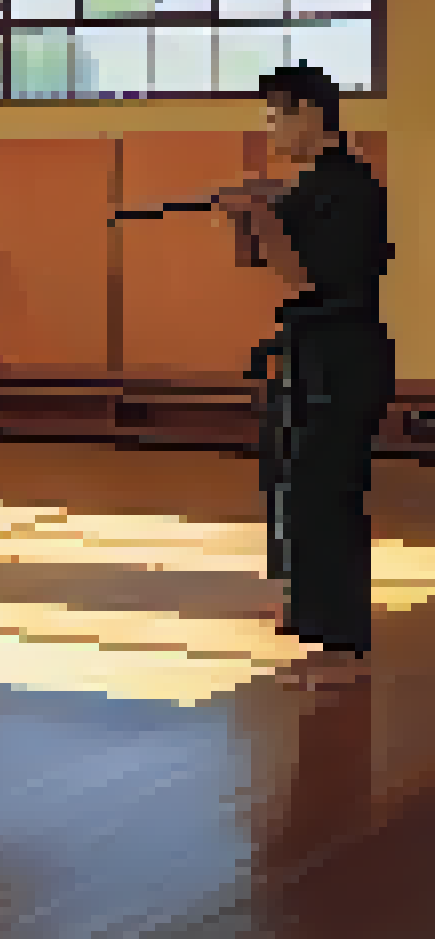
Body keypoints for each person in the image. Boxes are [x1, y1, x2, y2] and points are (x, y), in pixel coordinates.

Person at [217, 63, 390, 688]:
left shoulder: (348, 187)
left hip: (344, 354)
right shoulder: (310, 186)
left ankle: (341, 631)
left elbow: (307, 280)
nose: (268, 127)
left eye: (274, 114)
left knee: (328, 490)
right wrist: (245, 216)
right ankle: (309, 611)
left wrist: (261, 211)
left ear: (310, 115)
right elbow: (264, 262)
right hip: (309, 352)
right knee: (294, 486)